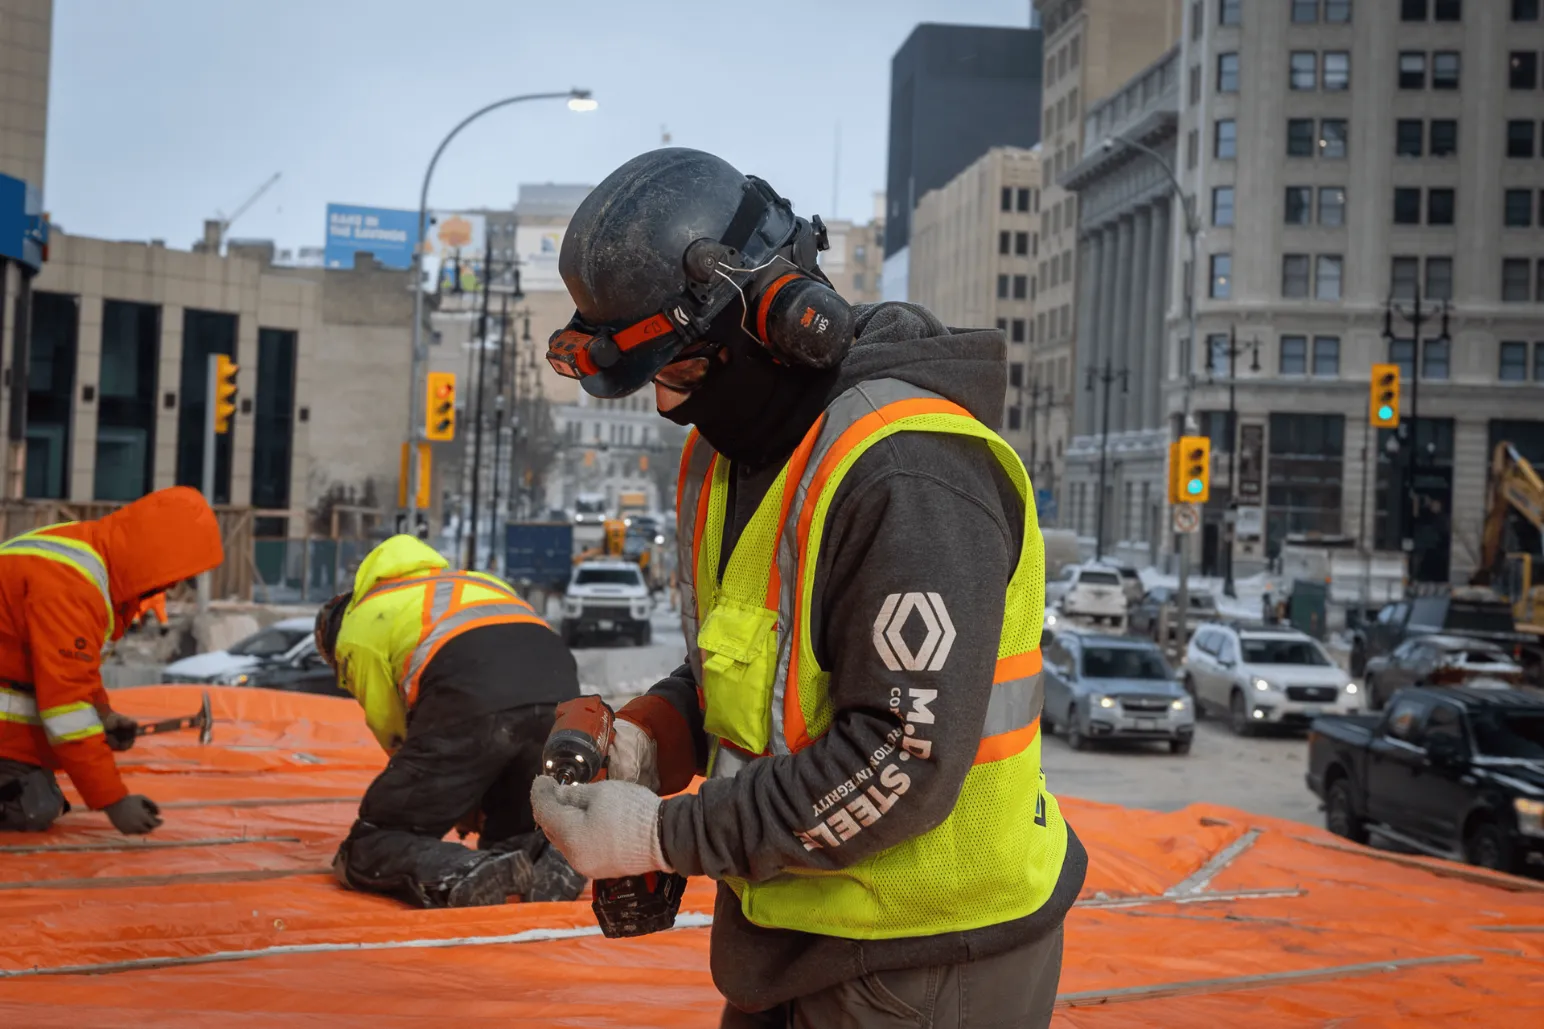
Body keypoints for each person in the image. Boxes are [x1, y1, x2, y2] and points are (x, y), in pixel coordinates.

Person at [532, 148, 1087, 1028]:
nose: (669, 406)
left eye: (680, 371)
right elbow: (756, 667)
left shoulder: (908, 472)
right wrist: (649, 740)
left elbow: (896, 759)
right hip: (793, 931)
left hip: (929, 955)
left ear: (780, 323)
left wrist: (661, 836)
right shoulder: (735, 459)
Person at [313, 533, 585, 908]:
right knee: (511, 830)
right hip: (557, 691)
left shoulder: (360, 626)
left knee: (371, 843)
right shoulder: (476, 581)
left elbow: (397, 732)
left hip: (474, 691)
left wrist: (448, 793)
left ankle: (464, 870)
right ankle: (545, 855)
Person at [0, 486, 224, 834]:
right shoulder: (72, 587)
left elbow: (73, 672)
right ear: (157, 557)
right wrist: (113, 801)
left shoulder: (84, 559)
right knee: (30, 807)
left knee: (40, 799)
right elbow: (66, 705)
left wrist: (103, 715)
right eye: (175, 575)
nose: (171, 585)